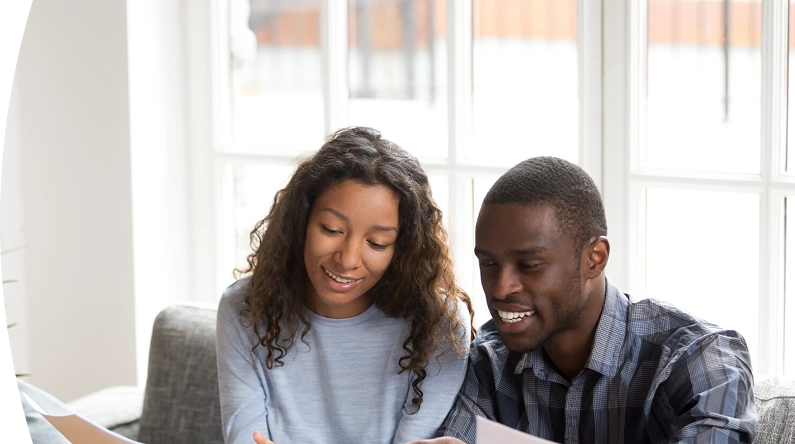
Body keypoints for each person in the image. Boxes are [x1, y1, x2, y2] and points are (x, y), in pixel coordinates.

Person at [411, 156, 756, 444]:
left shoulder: (700, 360)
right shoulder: (489, 363)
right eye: (488, 264)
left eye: (529, 265)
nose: (501, 288)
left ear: (595, 258)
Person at [216, 126, 475, 444]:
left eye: (377, 243)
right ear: (302, 222)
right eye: (331, 228)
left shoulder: (441, 324)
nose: (348, 259)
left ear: (402, 248)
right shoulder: (244, 308)